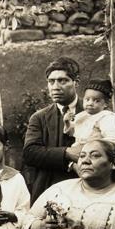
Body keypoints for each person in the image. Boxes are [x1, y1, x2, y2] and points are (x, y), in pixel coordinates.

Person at [22, 56, 84, 203]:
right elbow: (30, 153)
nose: (55, 86)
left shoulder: (94, 112)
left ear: (76, 82)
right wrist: (67, 154)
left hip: (87, 187)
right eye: (51, 81)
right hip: (51, 189)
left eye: (62, 80)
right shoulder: (39, 118)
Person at [69, 79, 115, 151]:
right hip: (78, 152)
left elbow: (114, 138)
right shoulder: (81, 116)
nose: (90, 103)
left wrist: (93, 144)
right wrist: (67, 122)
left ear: (105, 103)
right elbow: (72, 133)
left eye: (96, 101)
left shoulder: (106, 117)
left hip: (97, 152)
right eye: (87, 99)